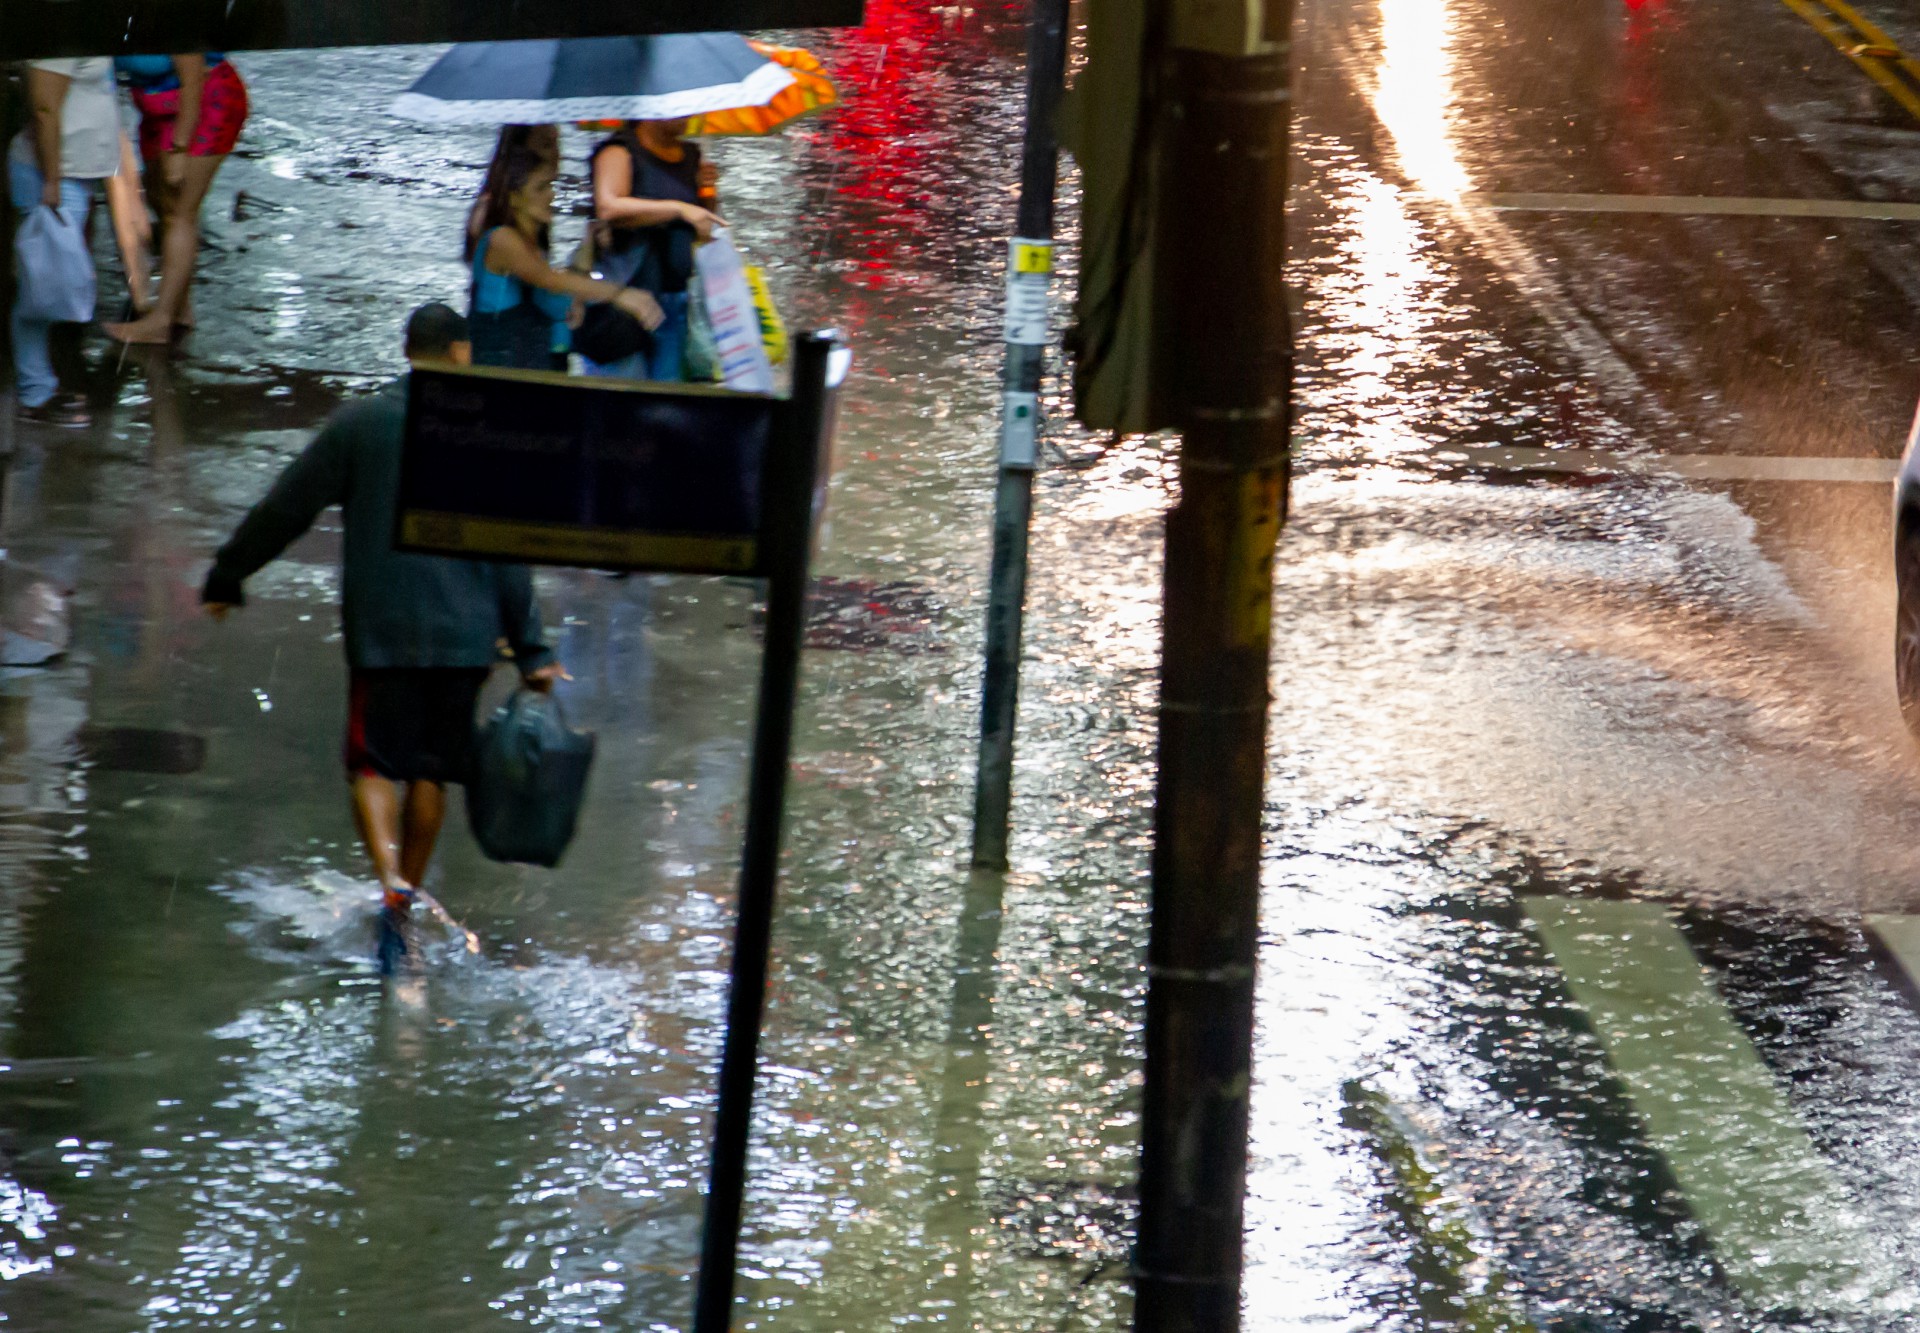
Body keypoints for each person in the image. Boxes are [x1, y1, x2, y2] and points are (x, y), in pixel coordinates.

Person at [200, 304, 567, 953]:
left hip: (384, 629)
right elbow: (509, 547)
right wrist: (532, 648)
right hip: (464, 637)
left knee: (371, 762)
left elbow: (288, 505)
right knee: (431, 771)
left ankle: (389, 880)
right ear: (460, 354)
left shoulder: (361, 424)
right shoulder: (485, 435)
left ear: (407, 352)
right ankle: (406, 898)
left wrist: (229, 572)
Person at [467, 141, 663, 372]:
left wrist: (588, 244)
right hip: (500, 376)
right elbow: (549, 280)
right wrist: (619, 293)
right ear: (514, 198)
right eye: (541, 188)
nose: (552, 195)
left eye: (551, 185)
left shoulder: (535, 250)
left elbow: (561, 288)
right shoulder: (501, 239)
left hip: (541, 373)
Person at [102, 54, 250, 346]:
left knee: (180, 212)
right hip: (158, 108)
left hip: (204, 104)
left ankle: (161, 321)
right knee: (160, 201)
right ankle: (179, 308)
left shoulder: (171, 25)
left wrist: (180, 149)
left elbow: (193, 79)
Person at [8, 57, 121, 427]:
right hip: (53, 178)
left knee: (48, 285)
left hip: (71, 176)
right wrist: (52, 181)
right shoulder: (59, 38)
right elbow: (44, 107)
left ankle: (39, 385)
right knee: (39, 289)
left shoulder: (78, 32)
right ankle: (35, 394)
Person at [582, 117, 725, 382]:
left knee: (665, 396)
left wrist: (707, 191)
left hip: (674, 298)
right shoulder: (620, 150)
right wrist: (678, 208)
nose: (686, 114)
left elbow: (700, 225)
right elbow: (609, 207)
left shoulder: (691, 154)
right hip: (625, 297)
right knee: (622, 395)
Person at [465, 124, 560, 257]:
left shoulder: (533, 212)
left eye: (557, 144)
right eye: (546, 145)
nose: (556, 154)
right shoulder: (488, 214)